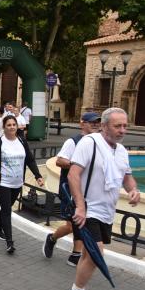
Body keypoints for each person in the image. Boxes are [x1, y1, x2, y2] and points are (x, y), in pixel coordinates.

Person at [64, 108, 139, 290]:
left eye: (125, 126)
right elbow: (73, 174)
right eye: (117, 126)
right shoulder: (90, 143)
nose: (122, 130)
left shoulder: (122, 151)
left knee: (89, 256)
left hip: (107, 212)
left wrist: (133, 189)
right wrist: (80, 206)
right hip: (88, 210)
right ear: (104, 126)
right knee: (97, 255)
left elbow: (127, 177)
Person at [43, 112, 103, 266]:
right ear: (82, 123)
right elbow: (60, 161)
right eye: (92, 122)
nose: (96, 124)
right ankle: (52, 239)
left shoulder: (99, 142)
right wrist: (77, 165)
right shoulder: (73, 141)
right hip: (70, 190)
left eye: (98, 122)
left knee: (80, 222)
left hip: (88, 191)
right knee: (72, 224)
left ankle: (75, 254)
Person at [0, 116, 44, 253]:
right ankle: (10, 242)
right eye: (9, 125)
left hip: (17, 183)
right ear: (4, 128)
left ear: (17, 126)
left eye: (14, 125)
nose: (12, 127)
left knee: (6, 208)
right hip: (2, 183)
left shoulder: (22, 141)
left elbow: (30, 159)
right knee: (7, 210)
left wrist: (38, 176)